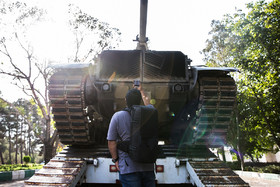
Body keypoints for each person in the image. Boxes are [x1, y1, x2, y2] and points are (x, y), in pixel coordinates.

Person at [107, 84, 156, 187]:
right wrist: (142, 91)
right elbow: (148, 104)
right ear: (139, 100)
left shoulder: (117, 116)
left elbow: (111, 141)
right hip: (148, 166)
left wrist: (115, 160)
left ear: (125, 100)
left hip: (128, 167)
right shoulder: (150, 113)